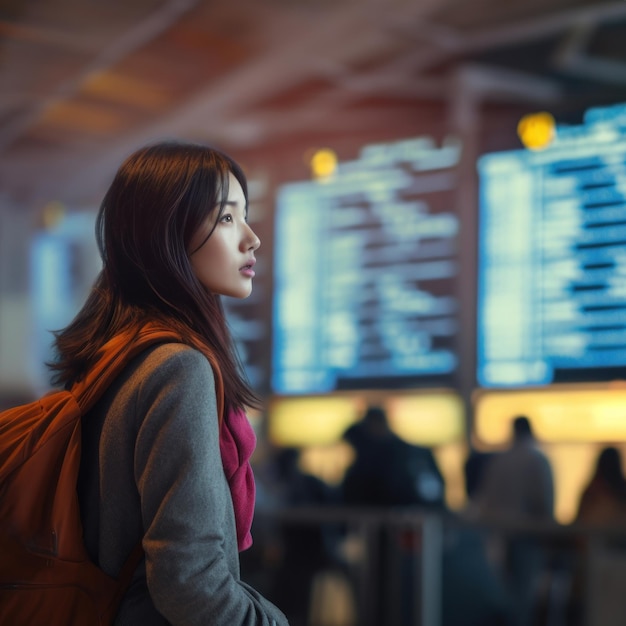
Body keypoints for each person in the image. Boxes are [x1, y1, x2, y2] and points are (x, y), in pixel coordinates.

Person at [49, 142, 289, 625]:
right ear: (167, 234)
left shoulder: (113, 356)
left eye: (245, 216)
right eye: (226, 218)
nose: (252, 239)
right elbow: (189, 581)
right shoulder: (178, 368)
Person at [471, 416, 555, 626]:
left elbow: (486, 499)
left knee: (503, 595)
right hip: (527, 537)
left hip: (498, 536)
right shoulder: (536, 459)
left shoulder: (499, 460)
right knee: (523, 598)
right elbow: (544, 501)